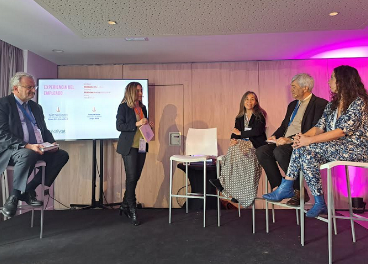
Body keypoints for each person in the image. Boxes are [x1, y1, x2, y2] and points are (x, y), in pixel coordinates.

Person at [263, 65, 368, 217]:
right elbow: (319, 127)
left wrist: (309, 141)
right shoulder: (332, 105)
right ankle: (318, 201)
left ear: (342, 80)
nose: (328, 81)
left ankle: (288, 187)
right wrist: (302, 137)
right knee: (305, 152)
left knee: (305, 148)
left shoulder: (359, 103)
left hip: (357, 149)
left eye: (332, 78)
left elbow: (341, 131)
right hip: (336, 148)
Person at [0, 72, 69, 218]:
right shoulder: (3, 104)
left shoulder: (36, 107)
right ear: (15, 88)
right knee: (29, 153)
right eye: (29, 87)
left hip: (37, 148)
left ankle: (29, 189)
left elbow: (43, 130)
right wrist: (28, 145)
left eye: (34, 87)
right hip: (13, 150)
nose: (33, 90)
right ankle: (13, 197)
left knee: (62, 154)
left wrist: (52, 143)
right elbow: (2, 134)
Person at [256, 73, 328, 206]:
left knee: (280, 151)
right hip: (285, 141)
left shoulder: (320, 104)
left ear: (305, 87)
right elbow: (284, 125)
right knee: (262, 151)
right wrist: (275, 136)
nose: (291, 90)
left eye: (294, 87)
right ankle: (280, 188)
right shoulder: (292, 105)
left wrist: (289, 139)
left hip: (301, 142)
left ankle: (297, 189)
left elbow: (316, 129)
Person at [209, 91, 267, 207]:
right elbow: (234, 132)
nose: (249, 102)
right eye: (247, 99)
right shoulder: (240, 117)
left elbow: (257, 131)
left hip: (255, 145)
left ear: (256, 102)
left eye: (252, 99)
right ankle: (234, 191)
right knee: (234, 147)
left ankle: (222, 182)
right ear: (243, 101)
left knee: (234, 151)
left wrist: (240, 134)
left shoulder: (259, 115)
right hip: (241, 145)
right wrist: (233, 139)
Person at [116, 82, 153, 226]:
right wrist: (137, 124)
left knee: (135, 177)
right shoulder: (123, 107)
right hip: (129, 146)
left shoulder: (142, 107)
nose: (140, 93)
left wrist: (148, 124)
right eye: (138, 90)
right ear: (131, 91)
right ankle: (132, 209)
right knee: (131, 178)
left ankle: (124, 205)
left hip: (142, 145)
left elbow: (143, 125)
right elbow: (119, 126)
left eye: (141, 90)